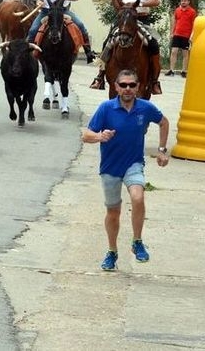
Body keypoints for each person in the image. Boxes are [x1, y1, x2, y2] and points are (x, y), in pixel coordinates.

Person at [82, 69, 170, 271]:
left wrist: (162, 150)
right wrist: (99, 137)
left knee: (138, 197)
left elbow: (163, 122)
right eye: (123, 85)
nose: (128, 89)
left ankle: (137, 241)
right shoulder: (106, 108)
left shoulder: (145, 108)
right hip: (110, 168)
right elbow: (86, 135)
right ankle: (112, 251)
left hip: (133, 164)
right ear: (116, 87)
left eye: (132, 85)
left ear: (138, 87)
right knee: (113, 212)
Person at [90, 0, 163, 94]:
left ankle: (154, 81)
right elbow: (118, 8)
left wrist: (139, 4)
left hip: (140, 19)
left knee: (153, 44)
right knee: (108, 42)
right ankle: (100, 76)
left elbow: (156, 0)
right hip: (124, 20)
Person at [27, 0, 96, 63]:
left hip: (62, 11)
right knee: (32, 30)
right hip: (46, 12)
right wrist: (39, 3)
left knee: (81, 25)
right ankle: (28, 56)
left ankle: (88, 52)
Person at [167, 0, 197, 78]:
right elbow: (174, 21)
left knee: (185, 54)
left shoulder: (192, 12)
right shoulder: (177, 10)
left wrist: (192, 36)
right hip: (177, 34)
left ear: (188, 2)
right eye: (182, 1)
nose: (183, 2)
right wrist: (171, 33)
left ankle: (183, 71)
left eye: (185, 1)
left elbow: (194, 24)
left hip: (186, 36)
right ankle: (171, 70)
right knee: (173, 52)